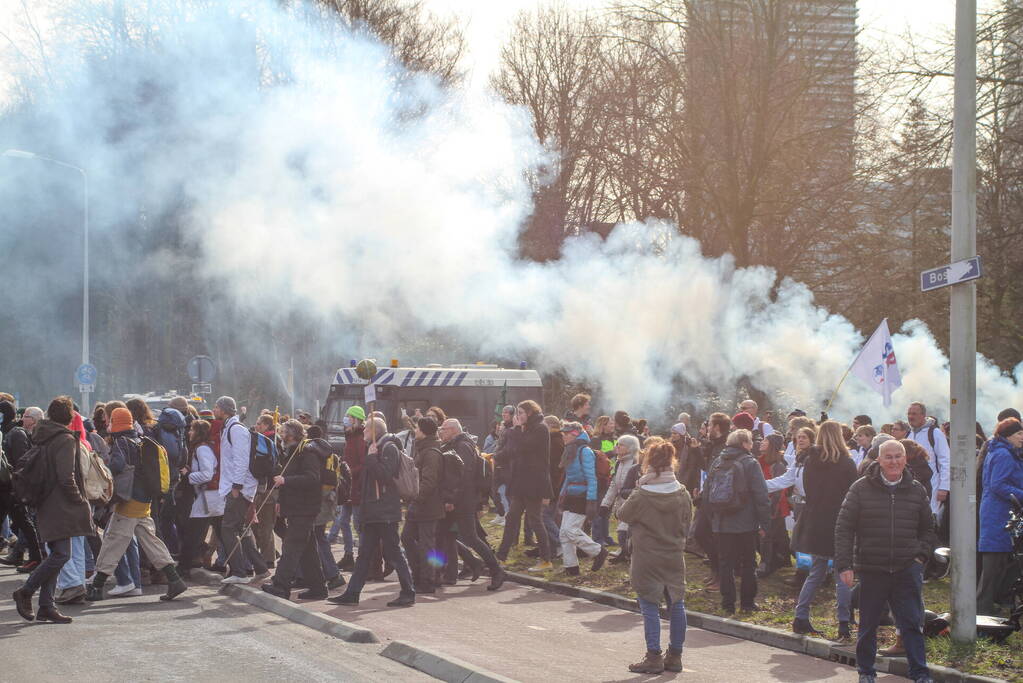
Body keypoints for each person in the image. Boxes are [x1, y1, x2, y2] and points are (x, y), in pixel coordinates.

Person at [835, 440, 936, 683]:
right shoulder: (860, 488)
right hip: (872, 568)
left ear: (905, 459)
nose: (893, 461)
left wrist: (920, 556)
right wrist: (845, 565)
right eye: (888, 457)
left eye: (898, 456)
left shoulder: (916, 489)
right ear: (879, 460)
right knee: (868, 625)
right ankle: (866, 673)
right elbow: (844, 528)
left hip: (906, 568)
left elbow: (928, 528)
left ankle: (920, 674)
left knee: (912, 623)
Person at [86, 407, 187, 603]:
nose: (107, 424)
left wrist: (102, 467)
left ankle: (96, 586)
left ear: (116, 423)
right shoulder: (140, 439)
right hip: (144, 500)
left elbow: (116, 466)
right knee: (151, 541)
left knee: (113, 542)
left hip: (129, 501)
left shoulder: (121, 443)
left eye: (110, 421)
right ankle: (175, 580)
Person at [12, 397, 95, 623]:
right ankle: (26, 591)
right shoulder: (65, 439)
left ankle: (46, 606)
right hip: (61, 504)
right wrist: (79, 500)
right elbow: (66, 477)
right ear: (69, 416)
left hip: (45, 502)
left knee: (55, 554)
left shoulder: (43, 435)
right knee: (62, 555)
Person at [618, 439, 692, 675]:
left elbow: (622, 514)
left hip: (647, 556)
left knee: (649, 604)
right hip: (673, 555)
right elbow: (687, 523)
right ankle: (675, 656)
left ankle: (653, 656)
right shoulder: (682, 493)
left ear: (648, 462)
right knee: (677, 603)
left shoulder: (642, 493)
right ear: (672, 462)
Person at [329, 417, 416, 607]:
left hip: (384, 512)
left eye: (366, 429)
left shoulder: (389, 448)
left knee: (394, 553)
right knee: (364, 554)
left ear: (374, 431)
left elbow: (386, 477)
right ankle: (352, 593)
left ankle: (408, 591)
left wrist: (371, 458)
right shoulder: (375, 448)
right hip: (373, 511)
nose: (363, 432)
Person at [790, 421, 858, 640]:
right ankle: (843, 623)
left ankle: (800, 616)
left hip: (816, 521)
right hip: (839, 522)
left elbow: (808, 489)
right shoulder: (847, 463)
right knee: (843, 574)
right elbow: (852, 495)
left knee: (816, 571)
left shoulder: (811, 460)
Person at [262, 420, 328, 600]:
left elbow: (312, 478)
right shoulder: (292, 452)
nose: (280, 436)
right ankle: (318, 588)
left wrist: (285, 481)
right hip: (297, 507)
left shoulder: (307, 453)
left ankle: (281, 586)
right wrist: (281, 500)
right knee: (308, 550)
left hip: (305, 507)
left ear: (291, 435)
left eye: (283, 432)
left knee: (291, 547)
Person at [707, 428, 770, 614]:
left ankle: (727, 603)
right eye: (750, 441)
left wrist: (714, 518)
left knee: (726, 563)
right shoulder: (750, 462)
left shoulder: (718, 461)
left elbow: (707, 492)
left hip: (722, 521)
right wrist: (765, 523)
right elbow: (761, 495)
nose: (753, 445)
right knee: (748, 563)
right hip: (746, 522)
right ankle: (747, 603)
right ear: (744, 444)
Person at [437, 418, 505, 591]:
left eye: (443, 429)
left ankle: (496, 570)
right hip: (458, 498)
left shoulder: (463, 446)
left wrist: (451, 499)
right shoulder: (457, 444)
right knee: (445, 533)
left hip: (464, 500)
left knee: (470, 537)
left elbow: (462, 476)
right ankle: (474, 563)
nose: (441, 432)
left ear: (453, 430)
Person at [215, 396, 270, 585]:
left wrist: (237, 486)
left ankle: (239, 572)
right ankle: (261, 568)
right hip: (236, 486)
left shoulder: (236, 430)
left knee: (228, 529)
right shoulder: (230, 428)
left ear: (224, 409)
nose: (214, 410)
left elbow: (241, 460)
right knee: (241, 529)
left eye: (216, 407)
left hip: (238, 488)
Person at [496, 401, 554, 572]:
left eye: (521, 412)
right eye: (517, 413)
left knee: (535, 520)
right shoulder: (523, 429)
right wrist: (497, 456)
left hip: (534, 482)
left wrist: (513, 431)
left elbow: (522, 447)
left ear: (529, 413)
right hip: (521, 481)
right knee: (512, 518)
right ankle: (501, 557)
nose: (518, 416)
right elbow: (511, 450)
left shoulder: (540, 428)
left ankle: (546, 559)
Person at [977, 418, 1023, 616]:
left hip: (999, 512)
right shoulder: (1004, 454)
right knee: (993, 565)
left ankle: (992, 604)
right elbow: (998, 485)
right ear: (1008, 435)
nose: (1022, 437)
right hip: (999, 514)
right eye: (1019, 434)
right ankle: (982, 608)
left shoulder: (1000, 451)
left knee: (1001, 563)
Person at [556, 421, 608, 576]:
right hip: (571, 494)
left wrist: (591, 502)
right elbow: (568, 477)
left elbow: (591, 478)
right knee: (563, 533)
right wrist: (561, 496)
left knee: (570, 530)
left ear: (574, 434)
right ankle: (571, 567)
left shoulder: (584, 451)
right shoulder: (570, 450)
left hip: (582, 496)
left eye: (565, 434)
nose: (563, 437)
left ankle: (598, 551)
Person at [401, 416, 444, 594]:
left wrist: (415, 497)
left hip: (427, 506)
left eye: (417, 428)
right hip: (418, 505)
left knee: (427, 544)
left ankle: (426, 580)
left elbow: (429, 481)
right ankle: (418, 574)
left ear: (424, 432)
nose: (415, 431)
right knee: (407, 538)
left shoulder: (431, 452)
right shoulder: (423, 448)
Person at [178, 419, 224, 580]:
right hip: (211, 497)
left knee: (192, 533)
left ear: (198, 432)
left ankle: (183, 567)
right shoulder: (204, 447)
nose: (189, 432)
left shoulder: (202, 449)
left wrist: (188, 475)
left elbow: (207, 474)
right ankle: (245, 566)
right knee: (223, 534)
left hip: (207, 498)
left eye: (192, 430)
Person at [0, 402, 43, 572]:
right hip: (7, 487)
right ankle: (27, 556)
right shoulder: (9, 432)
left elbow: (21, 461)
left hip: (11, 488)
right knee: (22, 522)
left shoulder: (15, 433)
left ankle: (35, 557)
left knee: (24, 522)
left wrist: (19, 486)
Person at [692, 412, 730, 590]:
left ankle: (722, 576)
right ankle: (715, 570)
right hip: (706, 496)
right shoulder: (713, 445)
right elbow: (706, 469)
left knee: (717, 539)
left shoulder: (726, 446)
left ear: (716, 427)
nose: (706, 429)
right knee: (699, 533)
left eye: (709, 426)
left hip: (717, 500)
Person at [602, 434, 640, 565]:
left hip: (632, 503)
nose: (616, 447)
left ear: (630, 448)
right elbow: (614, 485)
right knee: (621, 530)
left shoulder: (636, 463)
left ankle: (628, 555)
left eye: (620, 445)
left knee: (624, 531)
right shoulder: (619, 462)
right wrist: (605, 504)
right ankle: (624, 553)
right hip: (620, 503)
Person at [756, 433, 790, 578]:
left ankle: (766, 563)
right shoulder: (760, 461)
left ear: (772, 446)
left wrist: (770, 510)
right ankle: (781, 559)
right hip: (762, 504)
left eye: (765, 441)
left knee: (767, 535)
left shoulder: (778, 465)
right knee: (776, 535)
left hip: (774, 506)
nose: (761, 443)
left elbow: (779, 489)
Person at [907, 402, 950, 514]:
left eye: (914, 414)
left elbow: (945, 460)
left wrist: (944, 487)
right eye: (909, 414)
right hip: (913, 485)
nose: (911, 417)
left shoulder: (935, 433)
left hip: (933, 484)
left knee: (931, 516)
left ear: (923, 415)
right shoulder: (909, 434)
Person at [251, 414, 279, 570]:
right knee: (256, 524)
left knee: (266, 525)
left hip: (268, 488)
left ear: (267, 425)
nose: (257, 426)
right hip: (260, 488)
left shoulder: (271, 442)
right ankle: (269, 554)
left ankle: (268, 559)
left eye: (259, 424)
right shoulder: (259, 441)